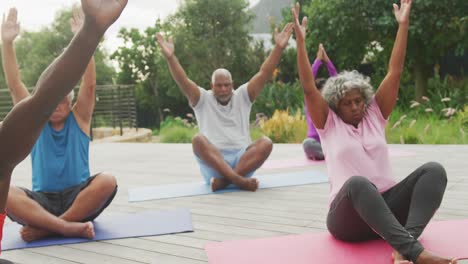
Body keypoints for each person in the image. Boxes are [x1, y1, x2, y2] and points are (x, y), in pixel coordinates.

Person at [292, 1, 457, 263]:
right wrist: (301, 44)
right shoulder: (328, 123)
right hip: (347, 219)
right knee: (358, 183)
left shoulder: (374, 116)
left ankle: (405, 247)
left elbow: (395, 71)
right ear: (336, 105)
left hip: (387, 214)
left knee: (434, 170)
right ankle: (416, 253)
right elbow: (308, 87)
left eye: (359, 100)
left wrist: (403, 25)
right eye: (348, 102)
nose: (356, 106)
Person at [0, 0, 127, 244]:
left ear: (70, 103)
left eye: (62, 101)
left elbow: (88, 86)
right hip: (41, 201)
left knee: (107, 181)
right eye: (53, 101)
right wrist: (7, 43)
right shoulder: (32, 125)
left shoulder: (79, 118)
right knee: (7, 194)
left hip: (77, 197)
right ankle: (65, 226)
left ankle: (52, 227)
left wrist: (88, 33)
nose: (56, 105)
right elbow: (16, 86)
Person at [156, 23, 293, 192]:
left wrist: (279, 48)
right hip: (214, 163)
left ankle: (225, 182)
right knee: (198, 140)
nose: (223, 89)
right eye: (219, 86)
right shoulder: (202, 98)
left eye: (226, 85)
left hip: (243, 161)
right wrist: (171, 57)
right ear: (211, 86)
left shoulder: (243, 95)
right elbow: (183, 80)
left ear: (232, 85)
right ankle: (237, 180)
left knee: (266, 143)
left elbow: (264, 73)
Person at [302, 43, 337, 160]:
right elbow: (308, 79)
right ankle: (328, 155)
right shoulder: (310, 102)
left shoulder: (331, 103)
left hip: (331, 142)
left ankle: (332, 154)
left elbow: (337, 82)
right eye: (319, 92)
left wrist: (327, 61)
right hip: (315, 143)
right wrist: (317, 60)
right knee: (307, 144)